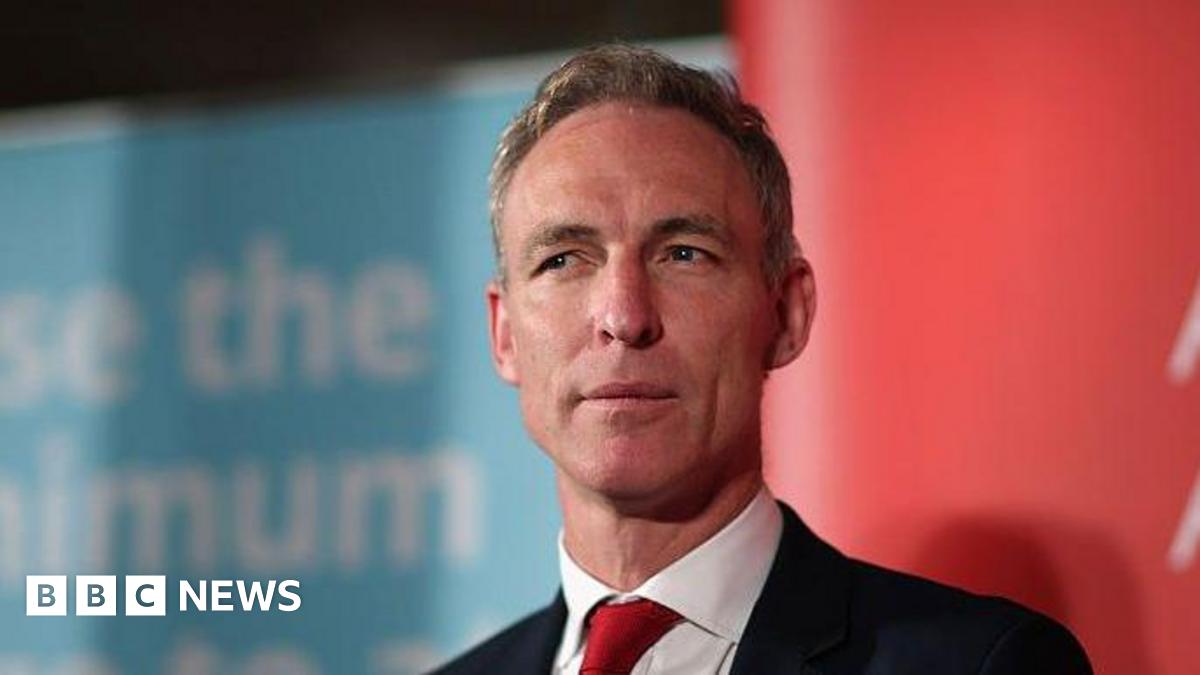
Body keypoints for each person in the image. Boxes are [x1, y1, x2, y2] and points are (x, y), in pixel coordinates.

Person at [429, 44, 1092, 675]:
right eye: (563, 259)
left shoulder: (978, 664)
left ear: (785, 313)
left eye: (683, 252)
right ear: (506, 334)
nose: (624, 316)